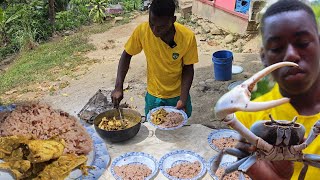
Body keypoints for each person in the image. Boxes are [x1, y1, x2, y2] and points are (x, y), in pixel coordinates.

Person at [235, 0, 320, 179]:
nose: (290, 55)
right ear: (264, 57)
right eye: (276, 48)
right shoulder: (245, 118)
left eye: (303, 42)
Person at [111, 0, 198, 117]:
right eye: (151, 24)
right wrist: (118, 87)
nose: (154, 30)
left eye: (161, 27)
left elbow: (188, 68)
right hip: (153, 95)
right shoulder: (142, 31)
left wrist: (183, 99)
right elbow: (126, 55)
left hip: (178, 95)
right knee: (152, 127)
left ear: (173, 20)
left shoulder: (187, 37)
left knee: (178, 130)